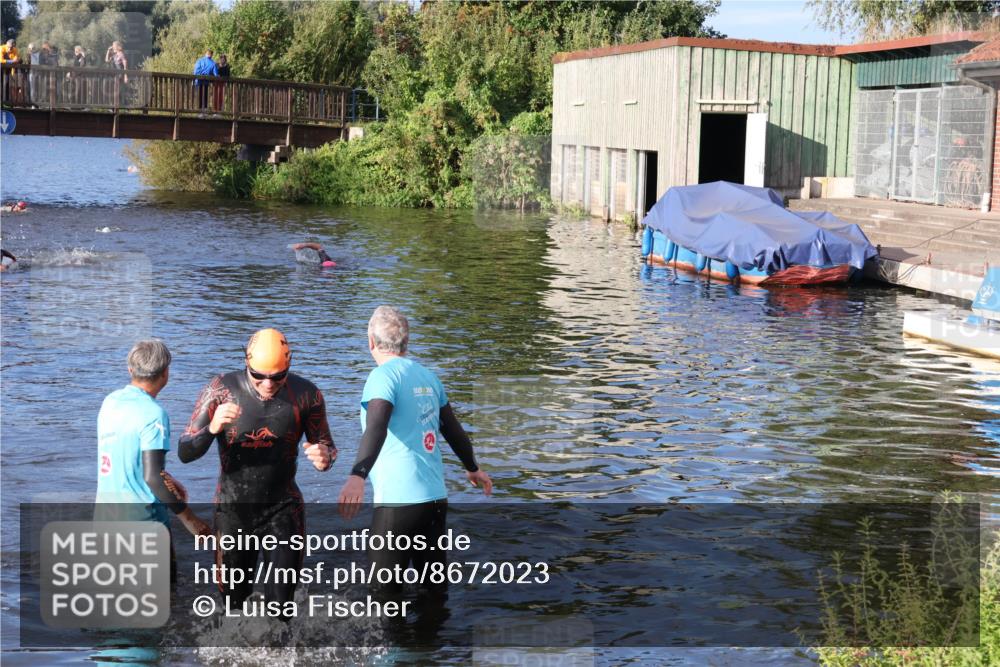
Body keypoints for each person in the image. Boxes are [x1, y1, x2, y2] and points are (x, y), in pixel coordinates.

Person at [178, 328, 336, 610]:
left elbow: (326, 445)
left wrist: (325, 458)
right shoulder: (221, 391)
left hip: (283, 510)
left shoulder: (307, 395)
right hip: (233, 511)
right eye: (258, 376)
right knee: (234, 606)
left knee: (282, 606)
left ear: (289, 367)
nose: (267, 384)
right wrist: (212, 429)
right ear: (246, 365)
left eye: (277, 377)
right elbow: (185, 452)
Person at [338, 306, 492, 595]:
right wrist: (473, 468)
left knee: (384, 598)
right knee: (433, 591)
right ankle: (430, 639)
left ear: (370, 341)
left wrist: (357, 475)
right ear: (406, 343)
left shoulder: (382, 377)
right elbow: (454, 430)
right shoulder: (428, 377)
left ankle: (397, 641)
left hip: (398, 504)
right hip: (434, 500)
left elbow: (377, 425)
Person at [96, 341, 211, 560]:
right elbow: (152, 477)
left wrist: (164, 475)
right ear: (165, 373)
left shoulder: (110, 402)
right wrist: (190, 520)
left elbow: (122, 454)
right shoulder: (154, 414)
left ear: (130, 370)